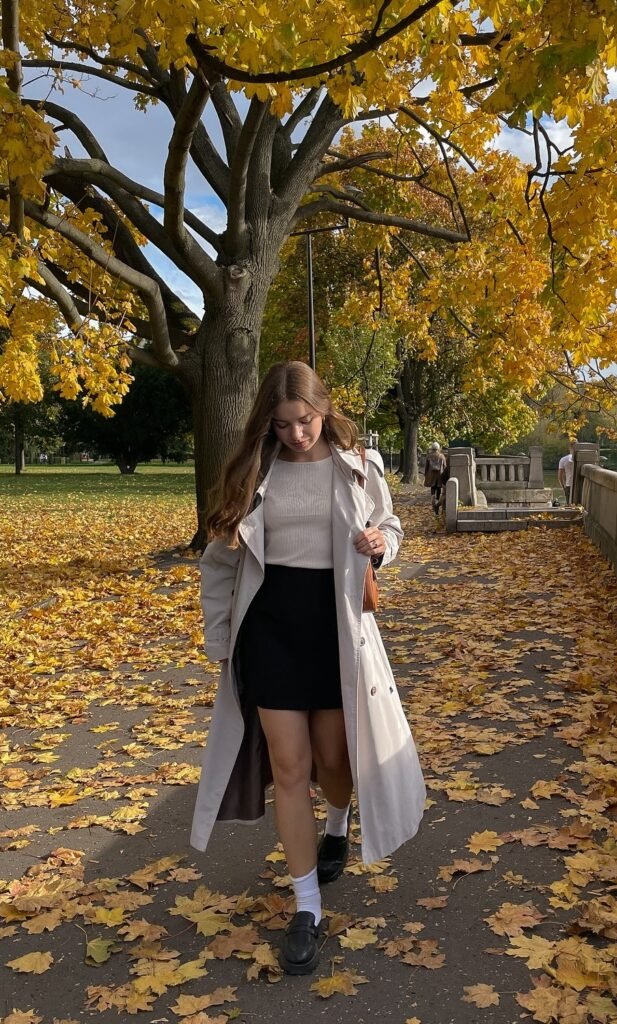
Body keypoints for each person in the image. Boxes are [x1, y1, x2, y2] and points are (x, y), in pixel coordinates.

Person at [191, 361, 425, 976]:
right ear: (268, 422)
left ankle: (339, 822)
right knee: (289, 768)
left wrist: (384, 544)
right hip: (269, 630)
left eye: (307, 420)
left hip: (336, 628)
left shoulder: (359, 466)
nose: (298, 433)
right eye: (285, 423)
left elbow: (391, 524)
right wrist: (221, 640)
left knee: (332, 761)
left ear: (324, 411)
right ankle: (306, 905)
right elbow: (218, 563)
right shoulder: (252, 471)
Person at [424, 442, 447, 513]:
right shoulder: (441, 456)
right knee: (438, 488)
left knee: (433, 488)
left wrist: (426, 474)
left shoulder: (429, 456)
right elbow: (445, 466)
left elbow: (426, 466)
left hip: (431, 474)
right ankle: (437, 501)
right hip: (439, 474)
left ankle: (433, 500)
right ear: (438, 448)